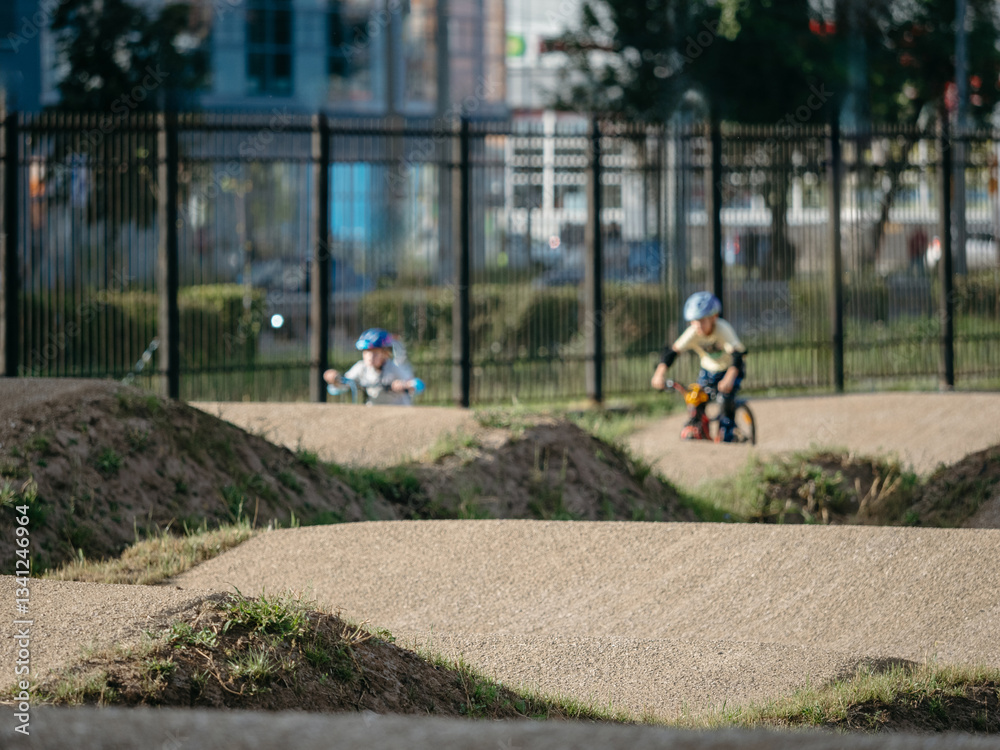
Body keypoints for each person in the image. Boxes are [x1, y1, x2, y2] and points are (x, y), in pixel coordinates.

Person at [650, 292, 747, 442]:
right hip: (709, 370)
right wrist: (659, 373)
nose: (697, 326)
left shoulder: (722, 329)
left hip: (730, 369)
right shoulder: (693, 332)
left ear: (714, 317)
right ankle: (698, 428)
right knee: (696, 397)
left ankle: (729, 432)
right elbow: (672, 352)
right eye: (694, 321)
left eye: (702, 321)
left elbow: (737, 357)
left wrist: (728, 379)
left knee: (725, 399)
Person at [323, 328, 420, 406]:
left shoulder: (394, 367)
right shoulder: (361, 367)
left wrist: (405, 385)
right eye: (366, 352)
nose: (370, 357)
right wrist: (335, 381)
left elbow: (419, 385)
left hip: (397, 412)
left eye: (375, 353)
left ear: (385, 354)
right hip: (374, 413)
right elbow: (343, 386)